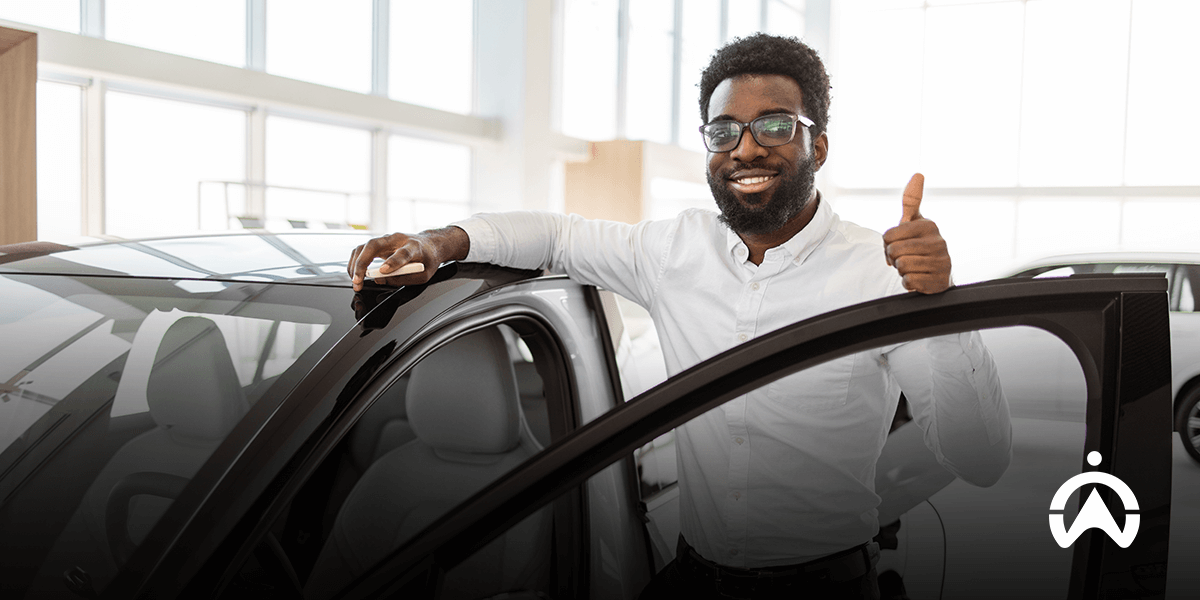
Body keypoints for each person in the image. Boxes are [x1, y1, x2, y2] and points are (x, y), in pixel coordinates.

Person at [348, 33, 1010, 600]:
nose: (746, 149)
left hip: (825, 587)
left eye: (775, 125)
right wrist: (437, 244)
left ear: (820, 146)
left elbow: (979, 458)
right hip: (693, 576)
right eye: (724, 131)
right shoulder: (672, 251)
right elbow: (553, 235)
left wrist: (943, 304)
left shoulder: (879, 270)